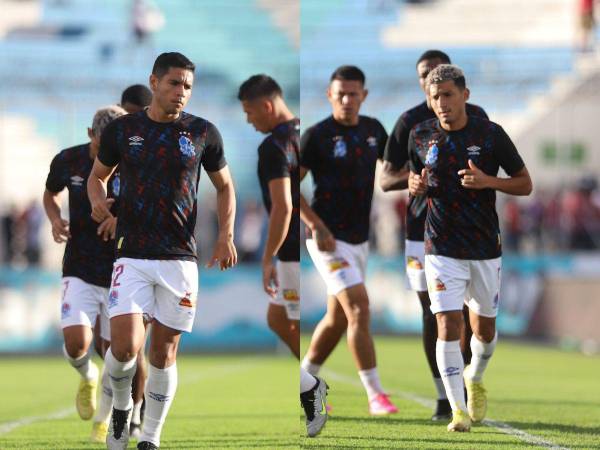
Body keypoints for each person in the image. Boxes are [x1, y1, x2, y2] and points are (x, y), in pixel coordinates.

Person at [88, 52, 237, 450]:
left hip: (180, 258)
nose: (181, 93)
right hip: (132, 255)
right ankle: (122, 408)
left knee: (164, 352)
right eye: (174, 84)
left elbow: (225, 186)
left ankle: (150, 437)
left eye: (187, 86)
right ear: (154, 83)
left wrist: (226, 235)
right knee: (122, 348)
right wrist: (97, 200)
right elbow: (97, 177)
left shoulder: (203, 132)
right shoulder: (123, 130)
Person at [408, 64, 532, 432]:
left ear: (465, 94)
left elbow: (525, 184)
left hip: (483, 246)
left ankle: (474, 377)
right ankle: (458, 410)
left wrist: (487, 181)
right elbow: (418, 179)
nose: (442, 103)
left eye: (448, 95)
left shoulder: (490, 135)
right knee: (447, 322)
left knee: (485, 331)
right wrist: (415, 186)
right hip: (440, 246)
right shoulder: (420, 136)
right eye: (435, 97)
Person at [380, 49, 488, 420]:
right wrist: (408, 181)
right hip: (420, 234)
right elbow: (385, 177)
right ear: (419, 82)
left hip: (470, 232)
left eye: (437, 76)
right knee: (434, 313)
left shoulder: (478, 120)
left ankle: (469, 379)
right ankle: (445, 394)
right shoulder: (409, 123)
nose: (432, 83)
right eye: (424, 76)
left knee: (468, 313)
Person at [300, 65, 398, 415]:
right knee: (359, 307)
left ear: (363, 96)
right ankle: (375, 395)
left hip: (359, 240)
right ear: (330, 95)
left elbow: (394, 172)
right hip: (328, 240)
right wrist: (315, 225)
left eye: (353, 93)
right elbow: (288, 188)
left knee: (338, 319)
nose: (346, 99)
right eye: (339, 93)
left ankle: (303, 379)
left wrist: (416, 179)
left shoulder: (374, 130)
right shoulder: (316, 136)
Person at [238, 74, 328, 436]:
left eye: (249, 112)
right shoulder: (305, 135)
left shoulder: (273, 147)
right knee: (279, 319)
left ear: (267, 106)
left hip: (290, 251)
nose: (249, 120)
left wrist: (268, 257)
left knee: (286, 319)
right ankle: (310, 383)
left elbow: (283, 207)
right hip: (311, 241)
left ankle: (310, 386)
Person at [43, 105, 127, 443]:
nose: (107, 149)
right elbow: (50, 194)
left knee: (116, 352)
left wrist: (121, 221)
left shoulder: (133, 163)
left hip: (122, 269)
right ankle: (86, 374)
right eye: (101, 141)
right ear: (90, 135)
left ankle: (103, 421)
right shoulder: (68, 160)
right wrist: (54, 219)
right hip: (78, 265)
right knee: (77, 343)